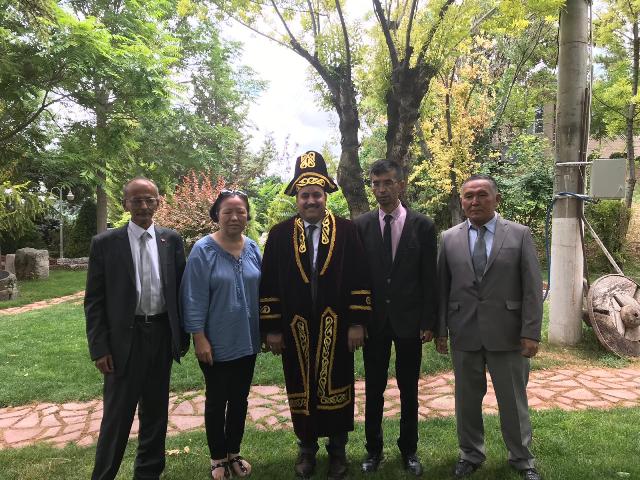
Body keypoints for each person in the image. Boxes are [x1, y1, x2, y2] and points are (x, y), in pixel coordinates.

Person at [260, 150, 372, 480]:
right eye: (305, 195)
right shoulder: (279, 235)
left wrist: (357, 323)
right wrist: (272, 328)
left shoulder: (347, 231)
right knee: (300, 385)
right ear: (297, 198)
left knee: (337, 384)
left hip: (335, 326)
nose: (311, 200)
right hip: (295, 328)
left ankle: (337, 452)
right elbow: (269, 283)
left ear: (326, 196)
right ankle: (306, 449)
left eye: (316, 194)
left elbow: (360, 276)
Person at [436, 174, 543, 480]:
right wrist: (441, 330)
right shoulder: (449, 238)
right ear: (461, 201)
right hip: (464, 331)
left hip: (508, 333)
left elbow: (532, 288)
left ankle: (522, 458)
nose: (475, 201)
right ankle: (470, 454)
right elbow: (442, 288)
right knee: (466, 401)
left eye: (482, 194)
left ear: (497, 199)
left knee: (513, 401)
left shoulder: (519, 235)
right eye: (468, 196)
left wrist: (530, 332)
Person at [85, 177, 189, 480]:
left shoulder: (172, 240)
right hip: (123, 342)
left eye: (149, 199)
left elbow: (180, 291)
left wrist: (181, 336)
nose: (144, 205)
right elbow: (94, 301)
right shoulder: (105, 244)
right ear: (125, 203)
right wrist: (100, 348)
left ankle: (148, 474)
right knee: (117, 417)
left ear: (158, 202)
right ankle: (103, 475)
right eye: (137, 200)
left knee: (155, 414)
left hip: (161, 335)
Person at [354, 159, 438, 476]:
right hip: (374, 323)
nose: (381, 189)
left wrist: (428, 321)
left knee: (409, 389)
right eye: (375, 184)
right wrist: (358, 320)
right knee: (373, 388)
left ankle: (409, 450)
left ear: (401, 184)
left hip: (409, 322)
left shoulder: (423, 226)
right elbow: (357, 279)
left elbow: (429, 278)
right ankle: (373, 450)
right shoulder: (361, 226)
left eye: (388, 182)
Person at [180, 190, 261, 480]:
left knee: (240, 399)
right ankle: (217, 458)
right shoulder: (203, 250)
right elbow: (192, 297)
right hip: (215, 341)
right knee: (217, 400)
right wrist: (198, 337)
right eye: (228, 211)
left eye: (241, 211)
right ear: (217, 215)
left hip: (248, 339)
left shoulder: (253, 248)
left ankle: (233, 452)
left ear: (247, 215)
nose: (235, 217)